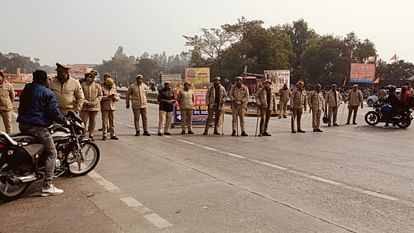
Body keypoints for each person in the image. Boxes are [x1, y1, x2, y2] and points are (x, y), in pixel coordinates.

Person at [17, 70, 66, 196]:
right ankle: (47, 185)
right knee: (52, 152)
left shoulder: (27, 88)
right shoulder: (47, 92)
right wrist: (65, 121)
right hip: (37, 126)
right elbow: (54, 112)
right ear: (45, 80)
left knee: (39, 147)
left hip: (23, 125)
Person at [80, 69, 102, 140]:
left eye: (92, 78)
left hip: (94, 106)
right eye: (89, 77)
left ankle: (91, 134)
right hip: (85, 106)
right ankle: (83, 134)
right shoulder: (82, 85)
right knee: (84, 121)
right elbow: (80, 95)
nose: (91, 79)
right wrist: (86, 102)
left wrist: (94, 102)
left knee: (93, 121)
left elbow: (100, 95)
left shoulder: (97, 86)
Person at [101, 76, 119, 140]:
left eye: (111, 85)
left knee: (112, 121)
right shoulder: (102, 88)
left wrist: (114, 98)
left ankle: (112, 134)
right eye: (109, 85)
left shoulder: (113, 89)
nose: (110, 86)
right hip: (105, 107)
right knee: (105, 122)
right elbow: (100, 98)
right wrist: (107, 97)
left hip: (112, 107)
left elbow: (117, 98)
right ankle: (104, 134)